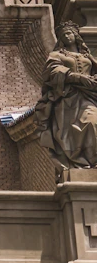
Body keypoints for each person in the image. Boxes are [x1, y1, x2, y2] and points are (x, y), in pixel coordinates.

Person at [37, 22, 97, 172]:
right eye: (63, 35)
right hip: (68, 97)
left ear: (76, 35)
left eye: (69, 33)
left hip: (89, 94)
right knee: (73, 130)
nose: (67, 36)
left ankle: (92, 161)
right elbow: (52, 71)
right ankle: (81, 163)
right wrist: (75, 77)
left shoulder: (87, 55)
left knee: (92, 122)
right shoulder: (56, 55)